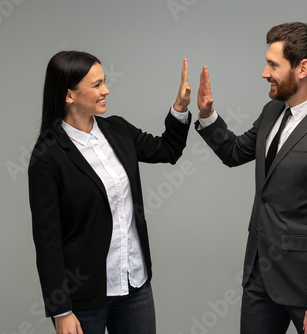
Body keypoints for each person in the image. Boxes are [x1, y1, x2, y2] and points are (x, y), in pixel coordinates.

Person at [196, 22, 307, 334]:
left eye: (273, 65)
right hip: (260, 277)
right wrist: (207, 115)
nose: (264, 72)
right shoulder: (272, 111)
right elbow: (234, 152)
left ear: (303, 68)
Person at [28, 51, 192, 334]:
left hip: (135, 284)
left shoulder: (117, 129)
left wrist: (180, 107)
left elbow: (168, 149)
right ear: (69, 95)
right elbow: (48, 241)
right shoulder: (48, 155)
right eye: (96, 85)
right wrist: (61, 309)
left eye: (104, 82)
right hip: (85, 296)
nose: (106, 90)